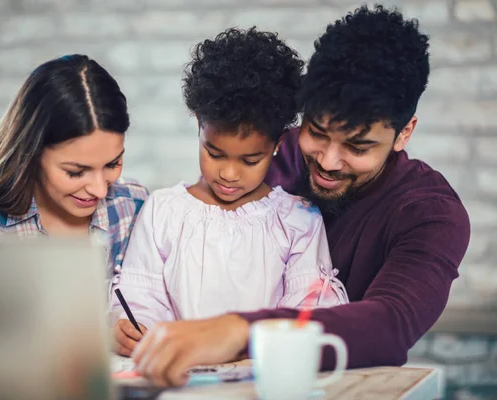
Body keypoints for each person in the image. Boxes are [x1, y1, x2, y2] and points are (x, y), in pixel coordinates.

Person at [128, 5, 471, 387]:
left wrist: (241, 330)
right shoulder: (274, 151)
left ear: (404, 133)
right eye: (318, 133)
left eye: (357, 147)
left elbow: (390, 326)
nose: (327, 161)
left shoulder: (430, 213)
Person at [110, 28, 348, 357]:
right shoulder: (163, 211)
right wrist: (132, 329)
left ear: (278, 145)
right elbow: (141, 297)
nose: (229, 173)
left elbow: (307, 311)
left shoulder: (296, 220)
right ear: (198, 124)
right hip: (180, 377)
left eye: (251, 160)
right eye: (215, 153)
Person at [0, 54, 148, 278]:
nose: (100, 190)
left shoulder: (136, 208)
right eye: (75, 172)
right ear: (32, 154)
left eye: (112, 164)